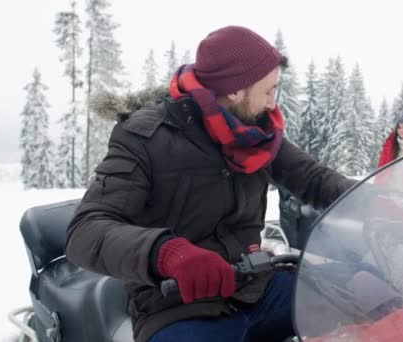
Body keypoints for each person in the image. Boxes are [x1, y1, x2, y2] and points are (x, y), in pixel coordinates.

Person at [65, 26, 356, 342]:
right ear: (234, 90)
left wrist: (377, 199)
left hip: (256, 287)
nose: (273, 104)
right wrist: (167, 253)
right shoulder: (144, 137)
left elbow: (315, 179)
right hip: (176, 305)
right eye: (268, 90)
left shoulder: (256, 135)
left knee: (364, 302)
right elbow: (86, 231)